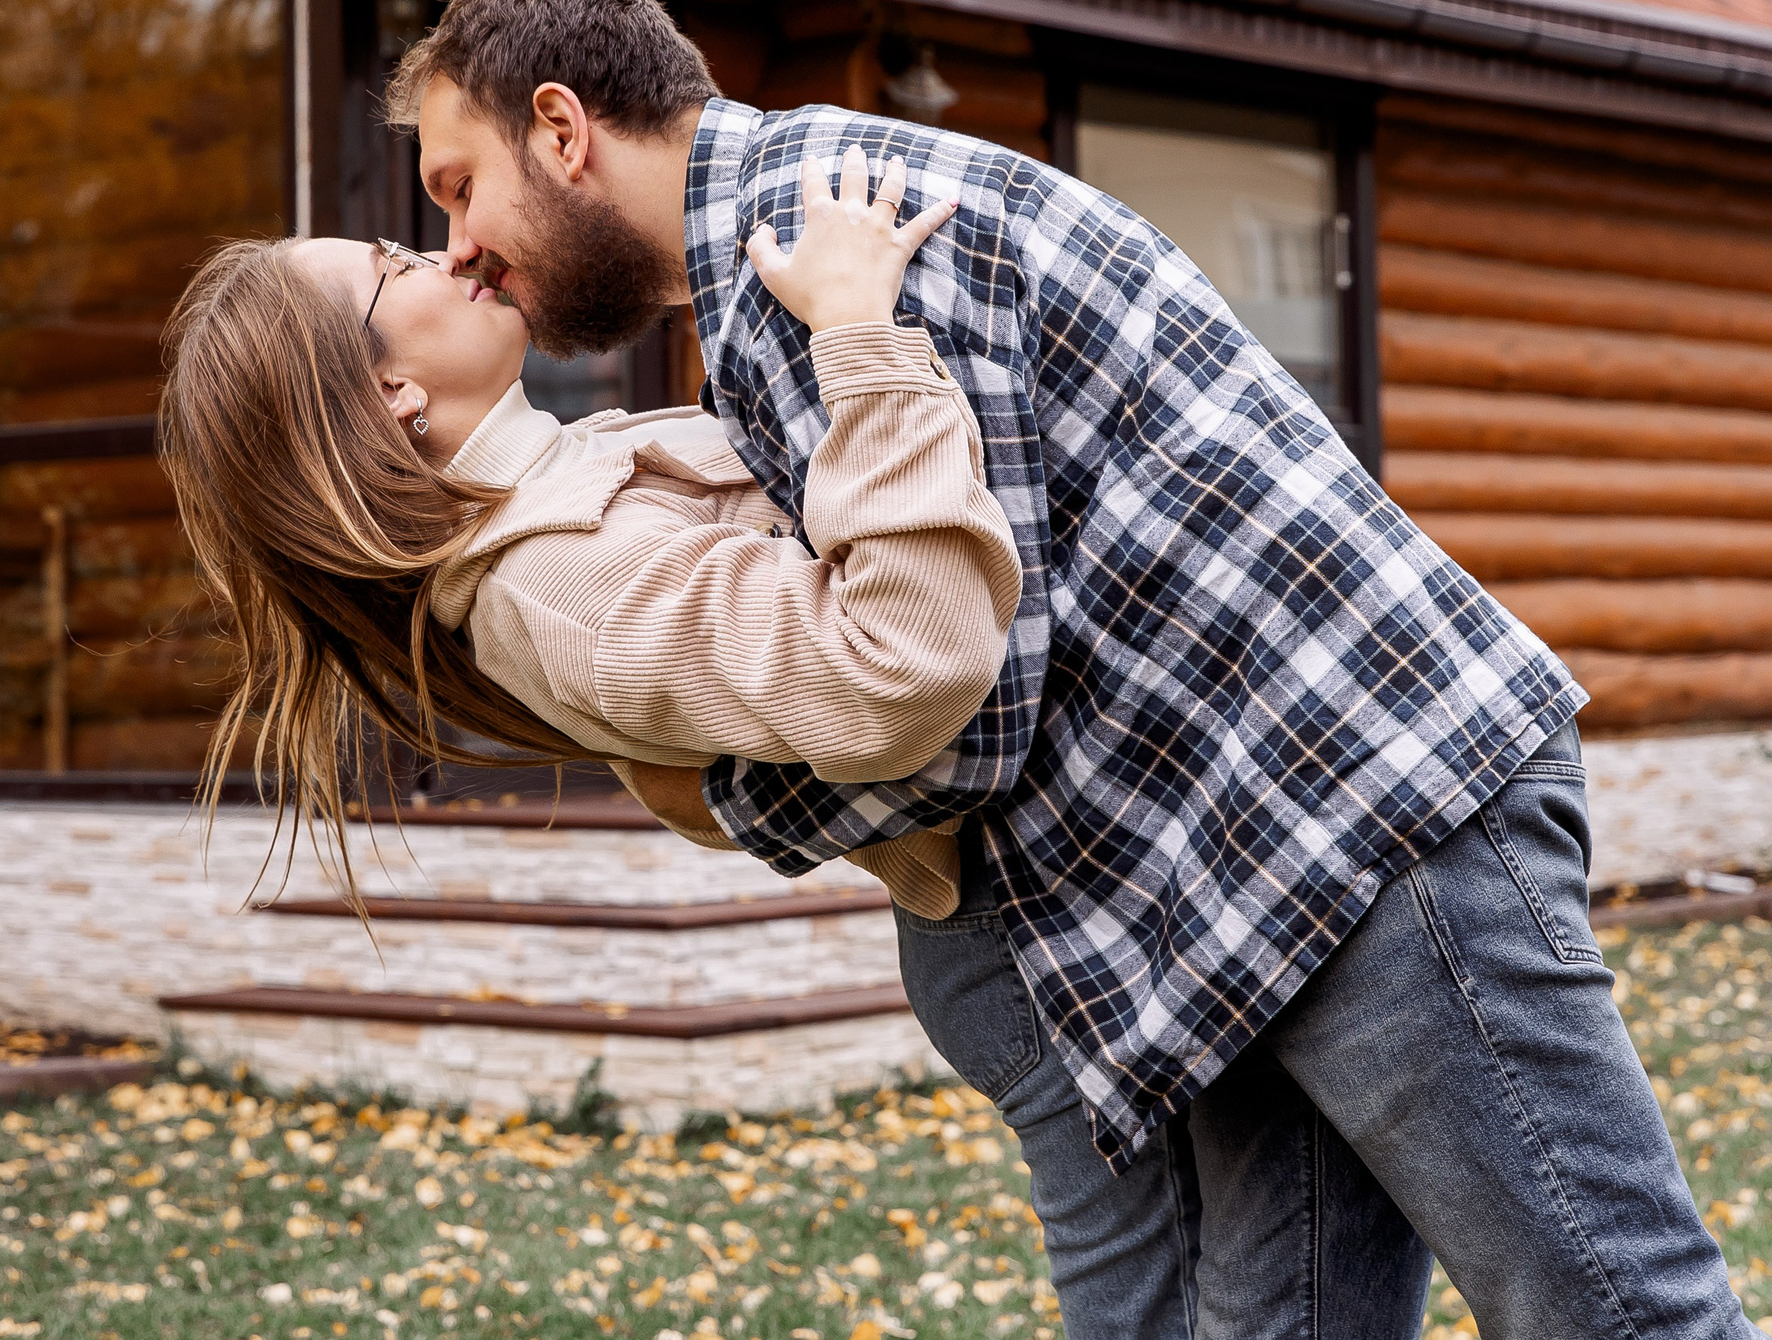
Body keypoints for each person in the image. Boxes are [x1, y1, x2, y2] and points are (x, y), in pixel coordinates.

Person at [393, 0, 1763, 1340]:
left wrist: (739, 792)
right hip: (1257, 863)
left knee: (1625, 1313)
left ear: (562, 134)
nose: (456, 241)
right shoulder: (801, 231)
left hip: (1373, 814)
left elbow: (961, 689)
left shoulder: (808, 256)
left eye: (458, 186)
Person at [160, 163, 1229, 1338]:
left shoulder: (569, 484)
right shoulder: (558, 579)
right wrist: (861, 334)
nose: (444, 252)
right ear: (394, 395)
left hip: (1066, 907)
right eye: (390, 269)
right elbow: (900, 660)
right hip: (1029, 942)